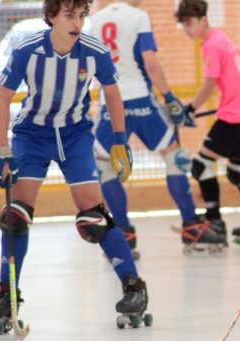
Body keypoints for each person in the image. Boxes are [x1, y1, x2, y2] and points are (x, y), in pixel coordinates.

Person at [0, 0, 149, 334]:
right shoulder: (28, 49)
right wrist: (2, 150)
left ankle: (134, 288)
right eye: (70, 15)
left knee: (93, 217)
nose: (78, 22)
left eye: (82, 15)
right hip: (32, 134)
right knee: (15, 216)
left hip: (75, 135)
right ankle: (6, 294)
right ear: (52, 17)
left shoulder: (93, 50)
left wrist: (118, 139)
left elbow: (112, 94)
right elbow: (2, 98)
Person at [90, 0, 225, 256]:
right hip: (141, 98)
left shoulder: (96, 19)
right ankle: (190, 226)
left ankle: (123, 234)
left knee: (104, 166)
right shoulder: (139, 16)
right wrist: (170, 98)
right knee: (174, 157)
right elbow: (149, 62)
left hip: (110, 100)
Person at [173, 0, 240, 248]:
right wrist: (236, 92)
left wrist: (190, 109)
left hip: (233, 116)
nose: (187, 30)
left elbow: (208, 84)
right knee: (238, 169)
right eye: (184, 25)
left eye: (190, 24)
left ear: (203, 20)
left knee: (200, 166)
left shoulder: (210, 45)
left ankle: (214, 224)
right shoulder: (220, 36)